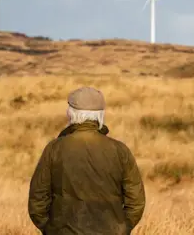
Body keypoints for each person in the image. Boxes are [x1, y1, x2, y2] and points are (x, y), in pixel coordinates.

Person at [28, 87, 146, 235]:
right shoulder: (120, 150)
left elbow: (37, 200)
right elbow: (136, 202)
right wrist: (121, 228)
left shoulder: (54, 149)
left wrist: (51, 229)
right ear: (100, 115)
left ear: (70, 113)